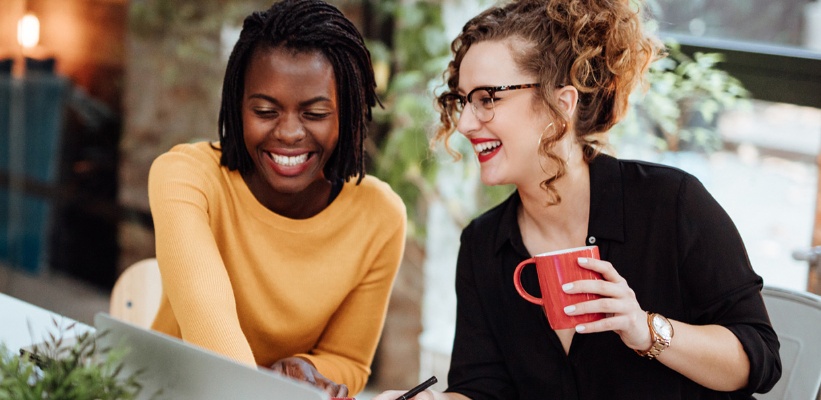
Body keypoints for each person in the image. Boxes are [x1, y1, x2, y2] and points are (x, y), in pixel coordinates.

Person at [375, 0, 781, 399]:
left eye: (488, 98)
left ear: (560, 104)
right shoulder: (484, 245)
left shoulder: (670, 203)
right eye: (463, 101)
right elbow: (482, 389)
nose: (464, 123)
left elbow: (758, 359)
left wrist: (645, 329)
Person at [147, 0, 407, 397]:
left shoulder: (380, 216)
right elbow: (209, 324)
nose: (288, 133)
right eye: (265, 110)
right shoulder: (186, 177)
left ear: (349, 115)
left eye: (315, 114)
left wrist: (306, 369)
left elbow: (349, 360)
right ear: (238, 107)